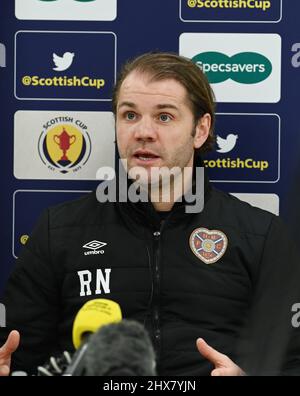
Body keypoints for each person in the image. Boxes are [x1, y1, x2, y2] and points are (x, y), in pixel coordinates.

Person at [1, 52, 300, 376]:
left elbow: (291, 362)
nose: (143, 132)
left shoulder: (261, 236)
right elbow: (19, 356)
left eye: (164, 117)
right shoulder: (58, 230)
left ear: (200, 129)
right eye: (129, 115)